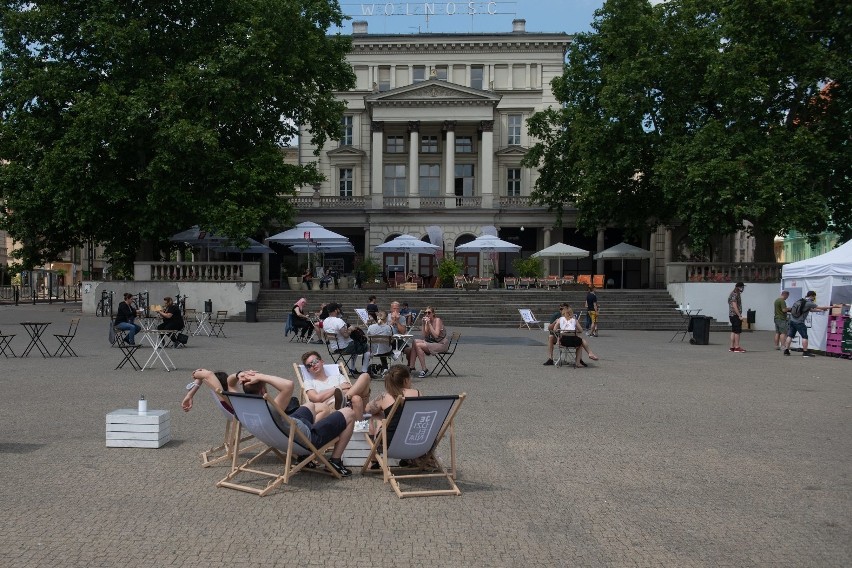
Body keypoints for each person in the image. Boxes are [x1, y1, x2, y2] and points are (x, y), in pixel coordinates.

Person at [240, 367, 355, 477]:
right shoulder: (271, 408)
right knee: (349, 412)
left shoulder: (241, 406)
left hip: (288, 429)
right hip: (305, 439)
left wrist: (239, 375)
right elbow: (288, 385)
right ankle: (335, 461)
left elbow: (229, 383)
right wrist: (261, 376)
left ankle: (306, 456)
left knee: (313, 405)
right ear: (263, 390)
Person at [301, 351, 371, 421]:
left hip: (348, 404)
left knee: (365, 376)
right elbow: (316, 398)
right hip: (331, 409)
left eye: (315, 361)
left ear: (322, 361)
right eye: (309, 365)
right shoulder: (309, 382)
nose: (313, 365)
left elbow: (348, 389)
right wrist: (337, 388)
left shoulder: (338, 376)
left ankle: (344, 400)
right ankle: (358, 422)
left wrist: (327, 395)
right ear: (308, 370)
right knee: (356, 398)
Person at [323, 302, 370, 374]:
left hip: (334, 347)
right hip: (345, 348)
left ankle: (352, 369)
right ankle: (364, 371)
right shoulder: (339, 321)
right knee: (366, 347)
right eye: (339, 309)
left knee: (356, 343)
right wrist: (351, 329)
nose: (340, 310)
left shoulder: (325, 321)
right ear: (336, 310)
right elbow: (346, 335)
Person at [784, 291, 835, 357]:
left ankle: (786, 351)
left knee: (790, 336)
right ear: (812, 296)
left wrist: (821, 311)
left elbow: (810, 310)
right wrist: (833, 307)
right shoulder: (809, 303)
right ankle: (805, 352)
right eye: (814, 296)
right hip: (799, 322)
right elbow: (821, 307)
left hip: (792, 320)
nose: (814, 298)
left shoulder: (800, 300)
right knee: (804, 336)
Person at [408, 306, 449, 377]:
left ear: (433, 314)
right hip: (433, 342)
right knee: (415, 341)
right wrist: (424, 324)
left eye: (429, 312)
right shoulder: (428, 322)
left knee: (418, 345)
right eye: (425, 313)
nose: (427, 314)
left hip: (441, 344)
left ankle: (424, 369)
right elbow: (425, 336)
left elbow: (436, 335)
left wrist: (429, 324)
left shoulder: (437, 320)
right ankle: (411, 366)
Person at [728, 282, 746, 353]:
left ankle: (732, 347)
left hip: (732, 315)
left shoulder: (732, 293)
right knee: (737, 331)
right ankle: (737, 347)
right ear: (739, 287)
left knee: (733, 331)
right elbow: (734, 306)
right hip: (735, 315)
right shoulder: (735, 294)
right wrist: (739, 315)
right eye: (742, 287)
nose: (743, 288)